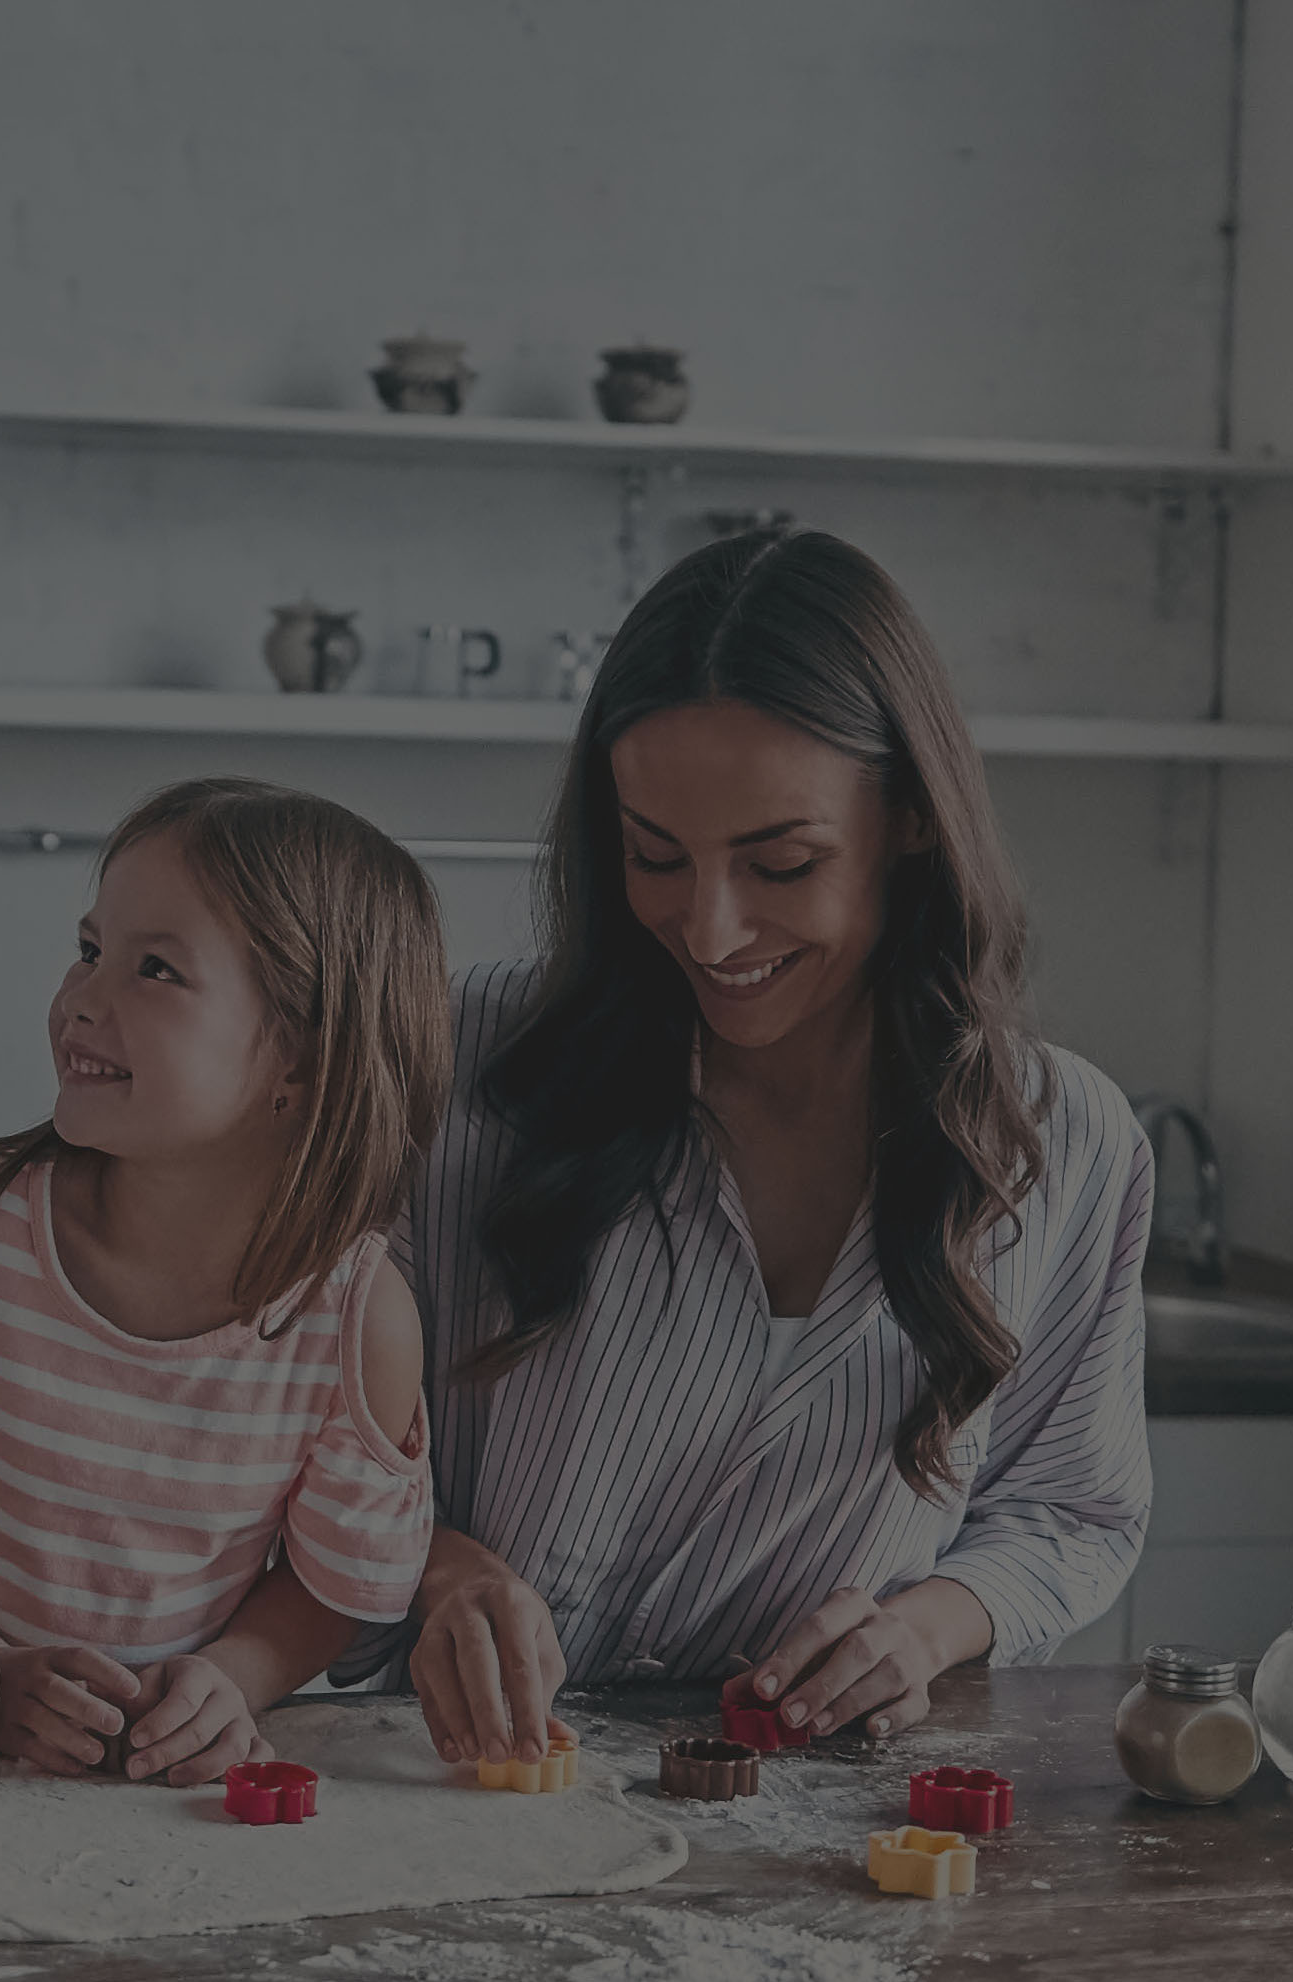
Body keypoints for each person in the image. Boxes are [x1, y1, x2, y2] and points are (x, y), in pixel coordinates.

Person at [376, 527, 1155, 1768]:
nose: (709, 924)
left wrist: (924, 1629)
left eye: (780, 861)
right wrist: (445, 1573)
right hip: (452, 1777)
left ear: (909, 817)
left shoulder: (1065, 1140)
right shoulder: (460, 1061)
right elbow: (287, 1423)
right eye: (654, 855)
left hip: (818, 1808)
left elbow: (1066, 1509)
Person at [0, 780, 450, 1785]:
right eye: (90, 949)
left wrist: (232, 1675)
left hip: (143, 1793)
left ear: (300, 1058)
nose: (81, 996)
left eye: (153, 968)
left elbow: (330, 1583)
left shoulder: (358, 1322)